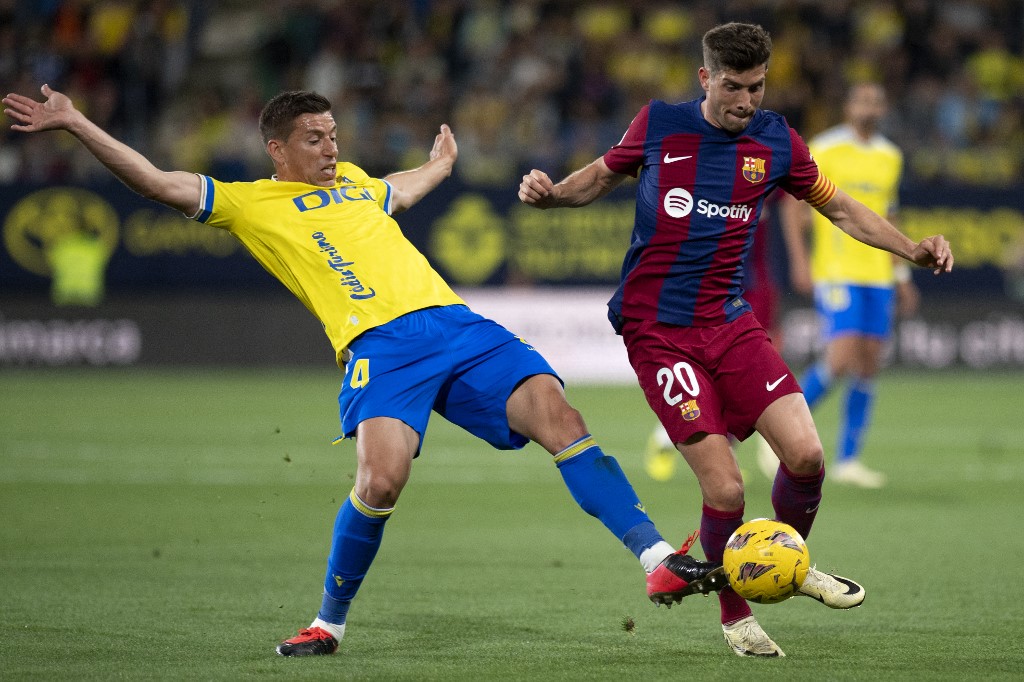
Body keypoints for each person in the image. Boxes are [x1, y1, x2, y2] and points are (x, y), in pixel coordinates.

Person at [3, 85, 727, 657]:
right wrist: (75, 124)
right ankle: (329, 624)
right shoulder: (253, 205)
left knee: (562, 420)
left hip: (457, 325)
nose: (330, 147)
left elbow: (401, 188)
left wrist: (441, 165)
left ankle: (656, 556)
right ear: (276, 148)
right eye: (314, 139)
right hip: (379, 349)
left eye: (334, 135)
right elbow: (159, 182)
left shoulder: (355, 183)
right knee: (381, 480)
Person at [519, 22, 953, 658]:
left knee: (806, 456)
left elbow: (841, 208)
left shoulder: (776, 140)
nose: (745, 101)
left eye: (756, 87)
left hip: (730, 321)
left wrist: (910, 249)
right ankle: (736, 613)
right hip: (659, 332)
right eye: (732, 87)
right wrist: (553, 196)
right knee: (725, 490)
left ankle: (785, 563)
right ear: (705, 78)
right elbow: (598, 176)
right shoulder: (660, 124)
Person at [779, 82, 919, 489]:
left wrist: (902, 273)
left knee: (870, 360)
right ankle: (781, 437)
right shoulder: (824, 148)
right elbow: (795, 206)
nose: (869, 107)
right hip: (837, 269)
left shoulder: (890, 156)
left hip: (878, 273)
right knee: (840, 358)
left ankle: (848, 460)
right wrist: (800, 260)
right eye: (862, 100)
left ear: (884, 107)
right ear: (848, 106)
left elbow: (890, 216)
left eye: (876, 101)